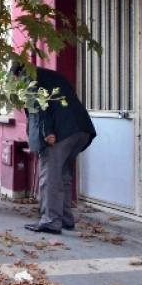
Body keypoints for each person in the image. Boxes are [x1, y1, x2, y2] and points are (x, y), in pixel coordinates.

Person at [17, 66, 96, 234]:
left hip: (60, 133)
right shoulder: (53, 76)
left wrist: (47, 132)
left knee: (50, 176)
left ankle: (51, 221)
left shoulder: (29, 80)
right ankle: (66, 219)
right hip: (81, 130)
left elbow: (39, 106)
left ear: (18, 74)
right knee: (64, 175)